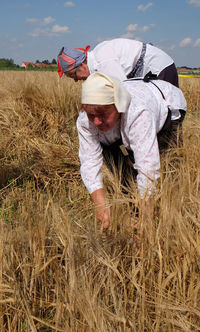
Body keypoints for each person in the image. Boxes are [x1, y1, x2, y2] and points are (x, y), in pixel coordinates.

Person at [76, 72, 186, 229]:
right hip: (130, 110)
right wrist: (100, 203)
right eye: (91, 115)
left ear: (118, 106)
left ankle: (164, 211)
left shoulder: (138, 113)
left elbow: (148, 167)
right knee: (119, 165)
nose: (97, 121)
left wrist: (145, 223)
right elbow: (89, 160)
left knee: (166, 165)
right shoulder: (85, 121)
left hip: (167, 103)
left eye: (103, 115)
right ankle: (131, 206)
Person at [57, 38, 179, 87]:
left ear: (82, 65)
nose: (76, 80)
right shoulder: (98, 61)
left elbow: (124, 91)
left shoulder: (103, 61)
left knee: (166, 118)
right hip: (146, 72)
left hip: (159, 68)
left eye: (74, 75)